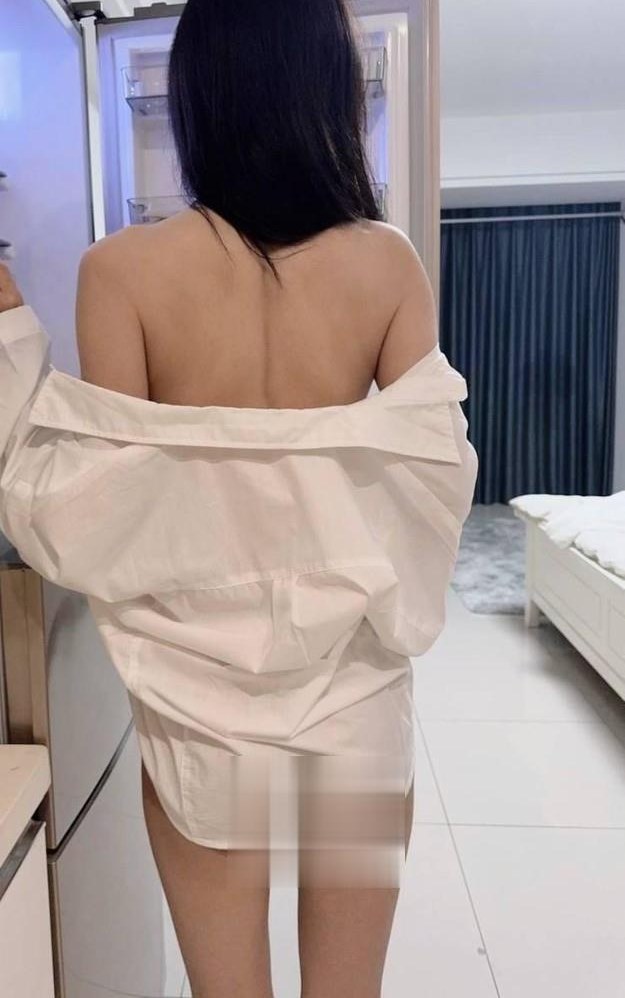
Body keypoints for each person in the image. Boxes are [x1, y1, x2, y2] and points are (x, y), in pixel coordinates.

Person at [0, 1, 478, 995]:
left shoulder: (119, 272)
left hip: (198, 719)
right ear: (331, 91)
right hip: (351, 707)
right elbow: (428, 486)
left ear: (197, 94)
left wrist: (10, 333)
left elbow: (108, 510)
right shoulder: (386, 262)